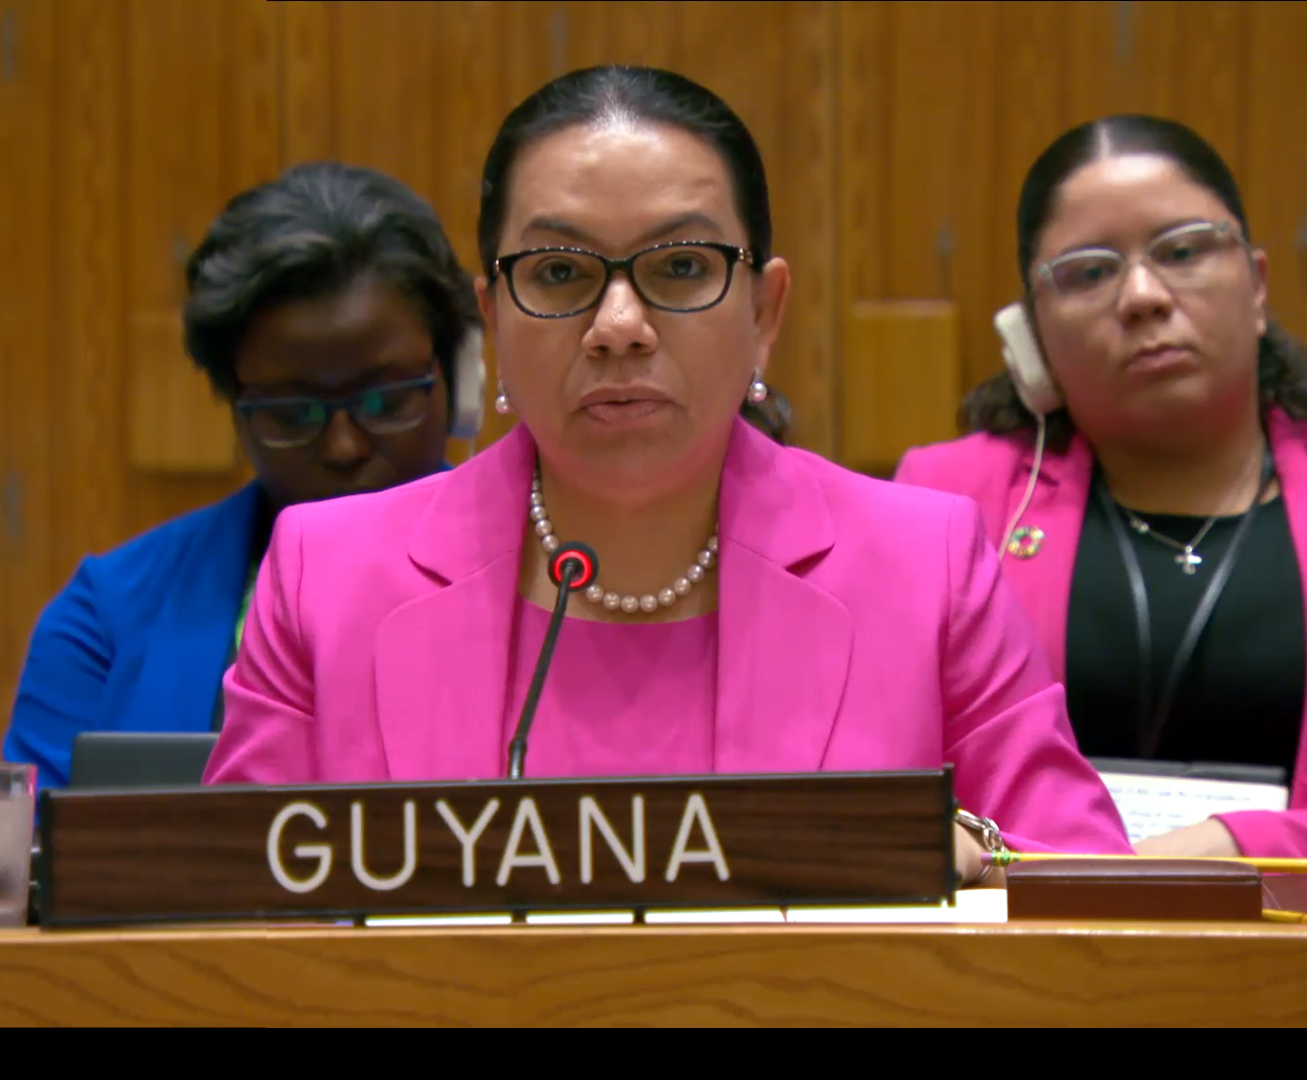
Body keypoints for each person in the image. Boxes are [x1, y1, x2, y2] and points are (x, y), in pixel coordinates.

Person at [204, 65, 1134, 887]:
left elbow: (1085, 893)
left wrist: (972, 854)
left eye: (681, 267)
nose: (618, 324)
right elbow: (226, 915)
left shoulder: (923, 563)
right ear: (491, 320)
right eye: (560, 273)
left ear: (765, 313)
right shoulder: (328, 575)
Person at [893, 115, 1307, 901]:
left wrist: (1235, 844)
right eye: (1088, 272)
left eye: (1184, 251)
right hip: (1030, 973)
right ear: (1029, 332)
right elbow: (872, 795)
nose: (1141, 295)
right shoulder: (949, 500)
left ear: (1258, 285)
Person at [4, 162, 486, 789]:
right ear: (233, 403)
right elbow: (37, 865)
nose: (343, 445)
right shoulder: (108, 618)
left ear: (457, 383)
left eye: (386, 401)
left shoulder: (554, 578)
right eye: (292, 412)